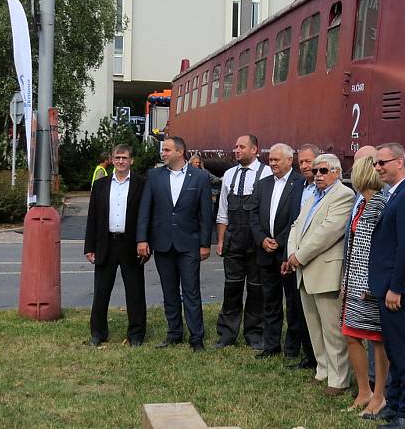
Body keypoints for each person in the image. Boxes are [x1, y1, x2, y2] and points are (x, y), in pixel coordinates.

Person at [368, 143, 405, 429]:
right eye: (376, 164)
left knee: (403, 351)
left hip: (395, 290)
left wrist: (396, 288)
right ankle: (393, 404)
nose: (378, 168)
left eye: (383, 162)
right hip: (386, 285)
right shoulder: (396, 194)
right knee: (393, 349)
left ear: (400, 162)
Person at [286, 153, 354, 396]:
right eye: (315, 171)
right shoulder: (313, 195)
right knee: (314, 327)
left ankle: (339, 379)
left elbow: (328, 233)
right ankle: (323, 370)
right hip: (304, 270)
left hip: (325, 271)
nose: (317, 175)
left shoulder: (343, 195)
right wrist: (292, 254)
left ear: (336, 172)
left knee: (332, 330)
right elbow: (296, 226)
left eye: (323, 171)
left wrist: (299, 256)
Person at [136, 136, 212, 352]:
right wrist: (142, 239)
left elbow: (205, 214)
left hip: (189, 244)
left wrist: (205, 243)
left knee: (191, 292)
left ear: (180, 152)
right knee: (169, 292)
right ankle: (174, 333)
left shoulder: (199, 178)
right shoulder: (154, 176)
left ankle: (196, 338)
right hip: (162, 244)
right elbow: (145, 210)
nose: (163, 153)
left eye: (167, 150)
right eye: (163, 150)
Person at [83, 144, 146, 347]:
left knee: (135, 292)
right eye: (117, 157)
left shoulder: (141, 184)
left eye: (124, 158)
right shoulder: (100, 185)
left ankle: (136, 334)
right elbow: (92, 217)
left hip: (131, 245)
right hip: (106, 244)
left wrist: (145, 242)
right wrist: (89, 247)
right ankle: (98, 332)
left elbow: (146, 217)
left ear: (131, 161)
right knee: (101, 291)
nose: (120, 161)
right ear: (112, 159)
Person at [341, 155, 389, 417]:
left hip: (370, 286)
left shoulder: (381, 205)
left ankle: (379, 395)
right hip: (354, 283)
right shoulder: (362, 205)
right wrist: (346, 280)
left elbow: (381, 249)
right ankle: (364, 391)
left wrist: (375, 283)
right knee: (351, 335)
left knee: (377, 341)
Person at [214, 134, 271, 349]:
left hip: (256, 243)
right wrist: (220, 240)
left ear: (255, 149)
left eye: (241, 147)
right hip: (233, 241)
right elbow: (222, 212)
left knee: (257, 290)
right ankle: (227, 334)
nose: (236, 150)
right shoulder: (228, 175)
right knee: (232, 289)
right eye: (235, 146)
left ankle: (254, 334)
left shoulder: (266, 173)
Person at [249, 143, 305, 358]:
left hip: (286, 253)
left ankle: (292, 349)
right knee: (270, 302)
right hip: (265, 253)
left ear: (290, 160)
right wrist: (262, 239)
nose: (271, 163)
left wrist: (280, 242)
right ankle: (270, 346)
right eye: (270, 159)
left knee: (292, 303)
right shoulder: (263, 184)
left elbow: (297, 219)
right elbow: (253, 215)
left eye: (276, 160)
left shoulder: (299, 183)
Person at [282, 144, 321, 370]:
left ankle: (320, 358)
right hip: (294, 259)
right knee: (297, 308)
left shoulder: (326, 190)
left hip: (315, 259)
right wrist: (288, 256)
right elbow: (291, 224)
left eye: (309, 161)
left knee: (318, 313)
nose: (305, 166)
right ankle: (308, 355)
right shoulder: (297, 186)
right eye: (302, 162)